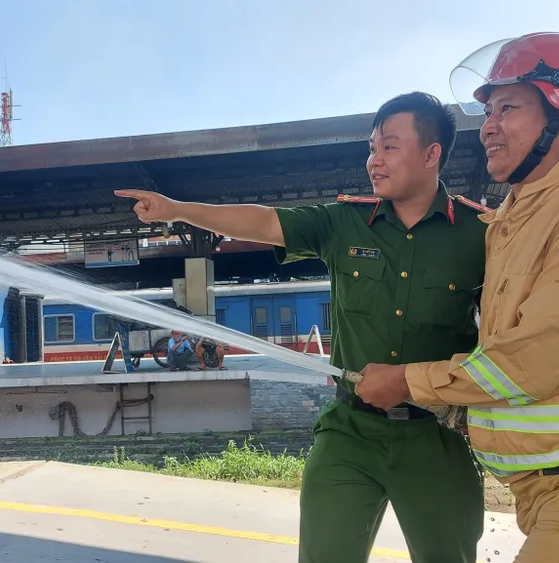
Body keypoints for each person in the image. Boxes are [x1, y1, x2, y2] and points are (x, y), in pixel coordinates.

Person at [117, 92, 488, 563]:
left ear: (432, 153)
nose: (374, 161)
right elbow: (263, 221)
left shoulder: (482, 233)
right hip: (350, 433)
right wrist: (178, 209)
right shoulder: (345, 222)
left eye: (389, 147)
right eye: (371, 148)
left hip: (437, 437)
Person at [356, 32, 559, 563]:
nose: (488, 126)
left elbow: (527, 363)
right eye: (488, 112)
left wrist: (406, 381)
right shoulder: (511, 221)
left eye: (507, 108)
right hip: (551, 491)